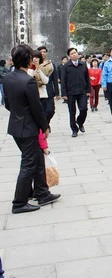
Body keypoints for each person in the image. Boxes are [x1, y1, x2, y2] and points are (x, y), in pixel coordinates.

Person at [4, 44, 60, 214]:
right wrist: (44, 126)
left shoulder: (8, 78)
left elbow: (8, 104)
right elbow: (36, 108)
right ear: (28, 60)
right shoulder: (27, 81)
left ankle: (41, 192)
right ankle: (19, 202)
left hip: (16, 126)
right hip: (28, 128)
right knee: (29, 163)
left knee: (36, 160)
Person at [61, 48, 91, 138]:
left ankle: (80, 122)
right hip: (71, 92)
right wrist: (64, 94)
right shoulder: (66, 66)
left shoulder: (83, 64)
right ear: (69, 56)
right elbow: (63, 80)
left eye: (75, 53)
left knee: (84, 109)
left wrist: (88, 90)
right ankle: (74, 129)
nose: (74, 54)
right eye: (72, 53)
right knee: (72, 112)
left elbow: (87, 78)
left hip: (82, 91)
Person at [37, 46, 59, 127]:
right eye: (41, 52)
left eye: (44, 52)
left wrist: (57, 93)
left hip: (49, 91)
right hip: (39, 91)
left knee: (51, 111)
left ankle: (46, 123)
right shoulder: (35, 64)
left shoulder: (50, 64)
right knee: (42, 110)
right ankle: (44, 126)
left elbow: (54, 79)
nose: (42, 53)